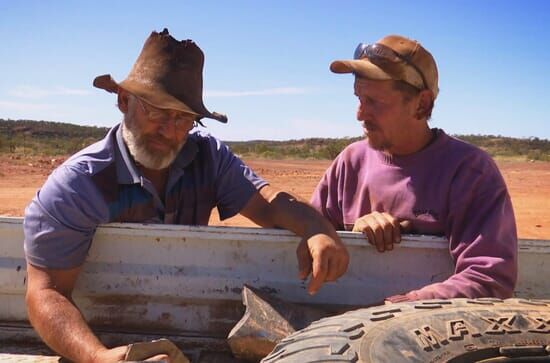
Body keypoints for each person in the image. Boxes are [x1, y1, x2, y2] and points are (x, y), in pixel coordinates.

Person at [23, 29, 349, 363]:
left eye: (183, 118)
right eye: (156, 111)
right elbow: (47, 291)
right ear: (123, 100)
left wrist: (316, 228)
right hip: (101, 339)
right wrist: (98, 357)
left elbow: (268, 204)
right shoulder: (80, 185)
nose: (170, 130)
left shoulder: (206, 157)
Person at [311, 34, 517, 303]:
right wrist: (352, 233)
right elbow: (311, 233)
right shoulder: (350, 162)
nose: (360, 114)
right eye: (359, 98)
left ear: (422, 104)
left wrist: (398, 309)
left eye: (374, 102)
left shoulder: (468, 171)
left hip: (432, 333)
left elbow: (489, 278)